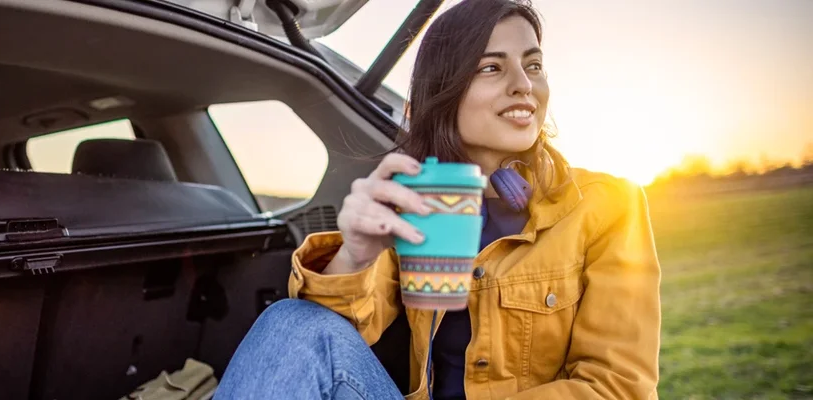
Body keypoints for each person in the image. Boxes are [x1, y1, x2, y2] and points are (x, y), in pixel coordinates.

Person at [215, 0, 662, 398]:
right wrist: (353, 255)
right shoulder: (417, 201)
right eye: (492, 67)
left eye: (534, 65)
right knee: (291, 322)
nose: (524, 84)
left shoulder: (606, 205)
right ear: (444, 90)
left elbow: (618, 387)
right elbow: (329, 339)